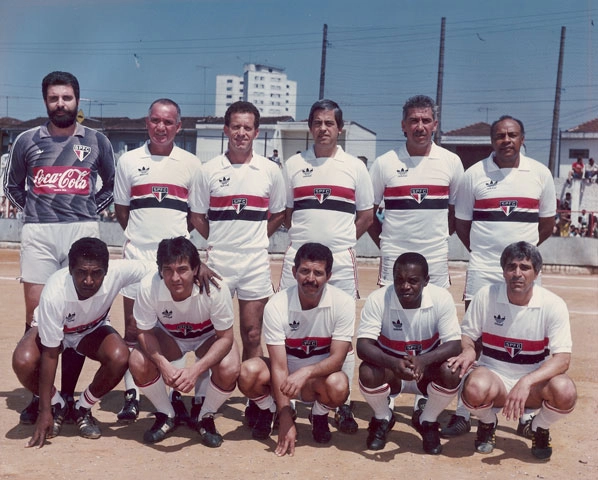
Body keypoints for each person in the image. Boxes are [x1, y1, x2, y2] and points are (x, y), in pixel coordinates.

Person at [4, 71, 115, 426]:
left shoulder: (97, 140)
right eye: (54, 98)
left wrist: (84, 212)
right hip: (39, 233)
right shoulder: (26, 140)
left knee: (77, 317)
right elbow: (13, 187)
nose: (61, 104)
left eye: (66, 97)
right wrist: (38, 212)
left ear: (77, 100)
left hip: (81, 232)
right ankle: (41, 397)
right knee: (36, 316)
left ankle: (68, 395)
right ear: (45, 101)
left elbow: (110, 185)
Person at [450, 115, 556, 437]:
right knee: (472, 339)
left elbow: (547, 225)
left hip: (523, 271)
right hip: (483, 269)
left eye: (512, 135)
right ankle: (463, 411)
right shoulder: (473, 175)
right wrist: (487, 256)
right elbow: (462, 224)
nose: (506, 140)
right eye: (499, 135)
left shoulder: (540, 173)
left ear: (522, 138)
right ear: (492, 140)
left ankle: (526, 414)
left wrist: (521, 261)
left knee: (530, 339)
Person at [279, 99, 374, 433]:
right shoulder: (292, 165)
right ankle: (285, 403)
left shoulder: (355, 167)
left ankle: (341, 405)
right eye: (317, 123)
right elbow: (288, 212)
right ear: (310, 127)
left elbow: (366, 214)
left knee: (340, 333)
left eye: (329, 123)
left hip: (342, 262)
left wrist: (343, 241)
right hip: (298, 260)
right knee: (290, 327)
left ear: (339, 128)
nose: (323, 129)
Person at [189, 101, 286, 421]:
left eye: (247, 128)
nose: (241, 133)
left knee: (252, 333)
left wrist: (258, 238)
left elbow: (278, 213)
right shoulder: (209, 170)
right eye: (236, 127)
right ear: (226, 130)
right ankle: (203, 394)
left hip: (255, 260)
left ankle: (254, 400)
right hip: (219, 262)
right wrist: (217, 239)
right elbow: (198, 216)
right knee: (212, 331)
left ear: (256, 132)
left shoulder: (270, 170)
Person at [113, 98, 206, 424]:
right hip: (138, 258)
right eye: (155, 121)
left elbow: (195, 216)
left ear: (178, 127)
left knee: (174, 330)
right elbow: (122, 212)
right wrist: (143, 242)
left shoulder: (191, 164)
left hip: (175, 263)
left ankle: (176, 395)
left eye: (168, 122)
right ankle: (132, 395)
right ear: (147, 122)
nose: (161, 127)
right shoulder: (128, 161)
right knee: (132, 329)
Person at [13, 237, 154, 448]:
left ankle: (82, 408)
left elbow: (158, 267)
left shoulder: (118, 272)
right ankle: (58, 405)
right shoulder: (55, 293)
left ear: (106, 270)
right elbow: (50, 355)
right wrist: (45, 410)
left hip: (90, 331)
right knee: (23, 361)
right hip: (54, 332)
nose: (88, 280)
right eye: (81, 272)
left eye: (96, 273)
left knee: (121, 356)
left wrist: (198, 268)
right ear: (70, 270)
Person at [447, 242, 576, 460]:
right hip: (494, 377)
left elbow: (563, 359)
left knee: (565, 391)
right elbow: (467, 336)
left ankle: (539, 427)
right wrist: (468, 350)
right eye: (511, 267)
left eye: (525, 267)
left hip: (532, 385)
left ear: (536, 272)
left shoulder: (553, 304)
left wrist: (526, 382)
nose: (517, 273)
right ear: (503, 270)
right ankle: (488, 423)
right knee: (474, 388)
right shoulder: (485, 296)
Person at [237, 243, 354, 456]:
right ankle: (270, 410)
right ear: (294, 272)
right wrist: (285, 417)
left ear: (328, 275)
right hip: (283, 380)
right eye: (304, 271)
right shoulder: (277, 304)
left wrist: (306, 372)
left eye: (318, 273)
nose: (311, 278)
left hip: (315, 381)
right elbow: (279, 367)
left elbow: (337, 360)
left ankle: (318, 416)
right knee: (247, 372)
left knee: (339, 384)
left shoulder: (343, 303)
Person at [129, 237, 240, 446]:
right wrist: (163, 365)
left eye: (182, 269)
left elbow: (226, 338)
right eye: (168, 270)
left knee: (230, 366)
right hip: (171, 338)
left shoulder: (216, 288)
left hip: (207, 338)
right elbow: (144, 332)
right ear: (159, 270)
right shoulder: (148, 287)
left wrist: (195, 371)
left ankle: (205, 416)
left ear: (196, 269)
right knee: (137, 361)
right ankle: (166, 413)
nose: (175, 277)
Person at [356, 252, 461, 454]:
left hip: (426, 372)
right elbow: (363, 346)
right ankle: (383, 417)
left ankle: (427, 420)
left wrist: (423, 360)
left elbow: (455, 345)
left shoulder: (441, 298)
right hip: (392, 371)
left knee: (452, 371)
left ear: (426, 281)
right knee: (367, 372)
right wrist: (394, 363)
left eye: (413, 281)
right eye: (399, 280)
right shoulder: (379, 299)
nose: (405, 286)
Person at [368, 95, 464, 288]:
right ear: (403, 125)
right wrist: (387, 245)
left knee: (436, 311)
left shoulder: (451, 162)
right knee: (392, 312)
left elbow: (456, 213)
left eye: (426, 120)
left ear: (435, 125)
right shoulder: (384, 163)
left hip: (435, 255)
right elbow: (368, 213)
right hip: (394, 253)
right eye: (413, 121)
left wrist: (438, 239)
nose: (420, 127)